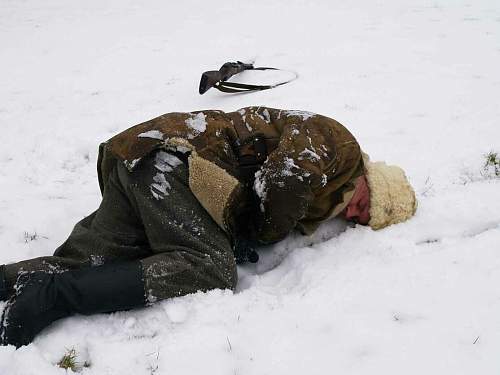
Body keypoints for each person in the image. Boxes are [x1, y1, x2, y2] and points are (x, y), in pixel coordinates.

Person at [0, 106, 417, 347]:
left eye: (365, 219)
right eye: (368, 202)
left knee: (91, 259)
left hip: (141, 158)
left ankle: (10, 284)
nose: (357, 214)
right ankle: (54, 297)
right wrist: (258, 231)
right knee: (210, 267)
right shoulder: (339, 146)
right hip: (173, 162)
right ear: (371, 178)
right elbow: (284, 179)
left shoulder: (328, 191)